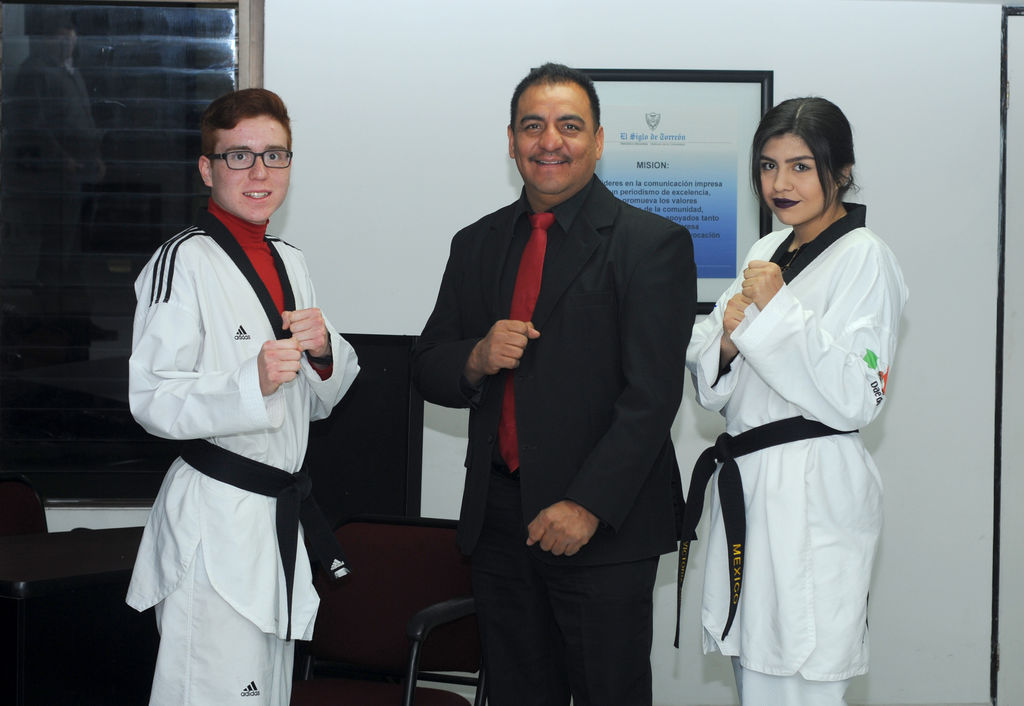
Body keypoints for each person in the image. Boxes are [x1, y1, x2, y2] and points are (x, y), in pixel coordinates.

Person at [412, 63, 696, 706]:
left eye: (570, 126)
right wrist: (476, 357)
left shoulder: (651, 244)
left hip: (603, 528)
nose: (550, 141)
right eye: (532, 126)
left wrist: (586, 506)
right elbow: (427, 365)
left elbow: (652, 398)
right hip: (501, 525)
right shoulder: (475, 243)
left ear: (598, 141)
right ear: (511, 141)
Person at [125, 88, 360, 705]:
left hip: (275, 520)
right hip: (216, 520)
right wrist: (247, 382)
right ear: (207, 169)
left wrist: (324, 353)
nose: (259, 172)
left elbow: (317, 403)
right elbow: (151, 397)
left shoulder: (291, 261)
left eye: (274, 155)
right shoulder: (182, 261)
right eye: (239, 156)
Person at [682, 97, 908, 705]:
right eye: (768, 166)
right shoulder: (766, 251)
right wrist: (727, 341)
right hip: (753, 478)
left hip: (812, 485)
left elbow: (857, 395)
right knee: (756, 666)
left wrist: (776, 309)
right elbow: (708, 365)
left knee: (803, 670)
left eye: (801, 167)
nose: (780, 184)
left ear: (842, 171)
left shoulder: (866, 258)